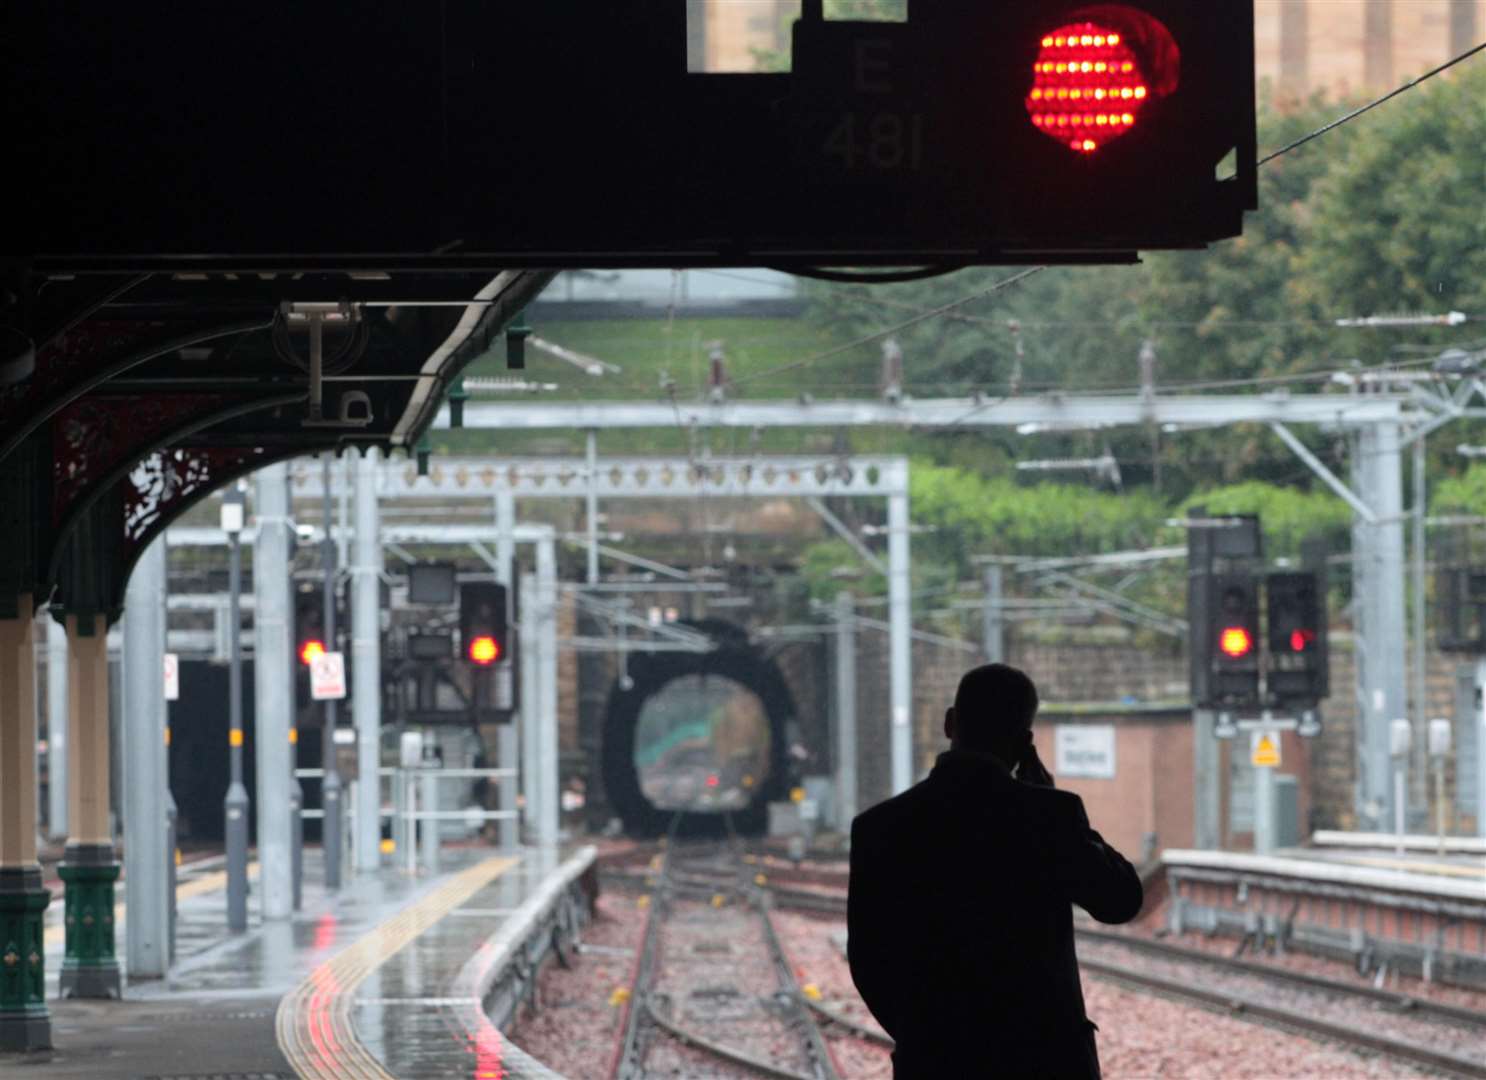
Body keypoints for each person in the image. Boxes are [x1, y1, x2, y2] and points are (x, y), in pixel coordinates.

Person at [848, 663, 1143, 1078]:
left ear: (950, 723)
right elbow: (1122, 900)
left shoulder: (877, 827)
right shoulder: (1049, 816)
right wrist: (1058, 809)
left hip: (935, 1063)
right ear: (1025, 743)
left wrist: (926, 1034)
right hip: (1044, 1063)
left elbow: (868, 960)